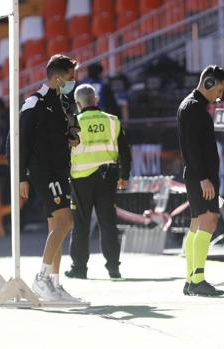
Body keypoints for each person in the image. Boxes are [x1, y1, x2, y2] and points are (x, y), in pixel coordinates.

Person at [19, 54, 80, 301]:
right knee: (66, 221)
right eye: (70, 77)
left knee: (56, 225)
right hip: (44, 170)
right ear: (57, 77)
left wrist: (73, 136)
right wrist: (21, 175)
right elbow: (19, 140)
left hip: (60, 169)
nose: (73, 81)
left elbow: (70, 129)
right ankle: (42, 279)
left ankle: (54, 284)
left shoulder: (63, 102)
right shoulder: (35, 102)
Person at [65, 84, 131, 280]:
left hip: (80, 180)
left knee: (81, 224)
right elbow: (125, 151)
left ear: (78, 103)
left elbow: (64, 152)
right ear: (96, 100)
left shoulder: (73, 122)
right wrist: (124, 176)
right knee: (108, 223)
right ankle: (113, 268)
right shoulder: (112, 121)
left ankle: (79, 268)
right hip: (107, 178)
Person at [177, 65, 224, 297]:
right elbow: (193, 147)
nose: (221, 94)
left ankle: (191, 279)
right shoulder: (195, 108)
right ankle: (197, 279)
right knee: (208, 222)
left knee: (197, 224)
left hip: (197, 175)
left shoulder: (191, 105)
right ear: (208, 83)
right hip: (201, 176)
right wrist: (204, 178)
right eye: (219, 88)